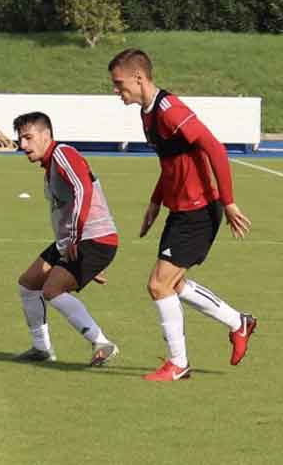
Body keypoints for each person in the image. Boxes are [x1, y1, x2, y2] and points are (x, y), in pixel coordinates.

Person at [108, 48, 257, 381]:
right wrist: (155, 203)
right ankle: (239, 322)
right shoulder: (146, 114)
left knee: (158, 285)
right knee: (174, 285)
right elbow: (170, 163)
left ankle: (178, 363)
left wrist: (229, 201)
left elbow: (215, 148)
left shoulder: (170, 111)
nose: (117, 91)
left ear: (139, 77)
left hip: (200, 210)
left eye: (119, 84)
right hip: (180, 210)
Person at [13, 112, 120, 366]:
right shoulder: (49, 167)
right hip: (74, 241)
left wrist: (75, 239)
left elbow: (83, 189)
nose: (22, 146)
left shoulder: (63, 154)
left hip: (93, 239)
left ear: (46, 135)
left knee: (52, 289)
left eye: (28, 138)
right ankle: (41, 349)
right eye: (20, 139)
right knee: (28, 284)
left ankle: (102, 343)